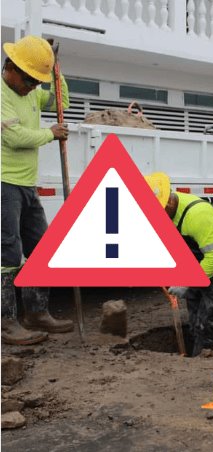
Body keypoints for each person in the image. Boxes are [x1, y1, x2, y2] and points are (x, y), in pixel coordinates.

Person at [1, 35, 73, 345]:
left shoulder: (29, 92)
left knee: (43, 249)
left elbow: (61, 102)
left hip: (27, 184)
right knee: (8, 252)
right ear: (11, 68)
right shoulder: (2, 94)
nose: (32, 87)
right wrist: (50, 133)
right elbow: (14, 137)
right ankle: (6, 323)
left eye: (36, 81)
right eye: (30, 80)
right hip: (4, 183)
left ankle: (37, 312)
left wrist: (57, 73)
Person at [144, 172, 213, 356]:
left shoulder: (197, 215)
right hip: (202, 259)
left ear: (168, 203)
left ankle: (206, 353)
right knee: (194, 306)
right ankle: (199, 347)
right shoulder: (169, 213)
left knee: (211, 308)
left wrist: (187, 282)